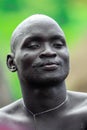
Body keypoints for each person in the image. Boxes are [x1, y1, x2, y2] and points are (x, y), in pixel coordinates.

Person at [0, 14, 87, 130]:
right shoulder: (4, 122)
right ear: (11, 63)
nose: (49, 52)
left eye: (58, 45)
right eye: (34, 46)